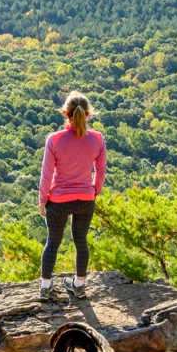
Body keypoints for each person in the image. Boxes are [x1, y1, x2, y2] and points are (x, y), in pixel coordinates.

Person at [38, 91, 106, 301]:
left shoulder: (55, 140)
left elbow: (47, 174)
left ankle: (45, 288)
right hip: (85, 200)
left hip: (58, 201)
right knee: (81, 241)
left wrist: (42, 200)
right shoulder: (97, 139)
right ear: (88, 114)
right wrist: (95, 190)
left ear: (65, 113)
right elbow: (101, 169)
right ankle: (78, 285)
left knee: (53, 242)